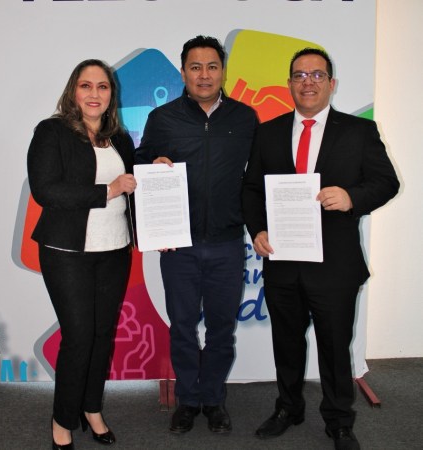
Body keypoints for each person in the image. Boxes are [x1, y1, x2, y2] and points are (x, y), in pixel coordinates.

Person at [242, 48, 399, 450]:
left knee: (334, 346)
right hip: (283, 260)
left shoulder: (359, 131)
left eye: (316, 75)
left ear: (332, 83)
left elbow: (386, 182)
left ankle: (339, 420)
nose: (307, 82)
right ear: (289, 84)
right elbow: (251, 189)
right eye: (299, 75)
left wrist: (351, 197)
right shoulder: (269, 132)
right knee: (286, 343)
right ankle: (288, 407)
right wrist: (257, 229)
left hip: (335, 265)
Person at [136, 35, 258, 434]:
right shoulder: (163, 118)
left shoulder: (244, 118)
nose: (204, 75)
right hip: (179, 247)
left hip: (227, 243)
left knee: (222, 329)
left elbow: (257, 177)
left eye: (212, 66)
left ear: (223, 71)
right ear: (183, 72)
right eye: (195, 67)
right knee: (183, 328)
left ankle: (214, 399)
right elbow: (140, 168)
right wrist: (152, 165)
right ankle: (188, 400)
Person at [27, 59, 137, 449]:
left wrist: (154, 172)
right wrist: (107, 190)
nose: (94, 94)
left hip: (115, 248)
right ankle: (62, 419)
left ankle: (92, 409)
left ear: (111, 94)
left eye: (102, 87)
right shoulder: (52, 131)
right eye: (86, 86)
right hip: (67, 251)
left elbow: (133, 182)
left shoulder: (120, 137)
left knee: (103, 335)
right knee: (78, 337)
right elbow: (45, 190)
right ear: (73, 91)